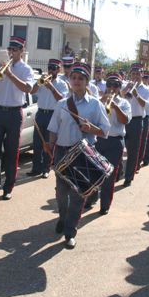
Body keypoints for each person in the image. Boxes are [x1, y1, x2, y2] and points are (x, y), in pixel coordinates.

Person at [47, 63, 111, 249]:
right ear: (70, 80)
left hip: (84, 154)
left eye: (80, 79)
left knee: (78, 195)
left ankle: (70, 231)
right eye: (73, 78)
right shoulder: (61, 104)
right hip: (62, 151)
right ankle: (62, 216)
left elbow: (105, 131)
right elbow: (53, 129)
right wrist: (50, 145)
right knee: (61, 192)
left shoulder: (95, 104)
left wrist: (92, 128)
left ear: (86, 82)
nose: (76, 81)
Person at [0, 36, 35, 200]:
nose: (11, 52)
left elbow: (27, 88)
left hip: (14, 112)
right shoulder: (1, 65)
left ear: (21, 51)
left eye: (15, 50)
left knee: (12, 152)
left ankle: (8, 188)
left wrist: (10, 74)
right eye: (10, 49)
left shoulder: (26, 69)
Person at [85, 72, 131, 214]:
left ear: (119, 87)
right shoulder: (98, 101)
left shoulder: (125, 103)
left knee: (109, 175)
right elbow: (90, 117)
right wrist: (102, 100)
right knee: (94, 172)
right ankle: (91, 198)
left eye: (116, 85)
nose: (112, 87)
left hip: (115, 142)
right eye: (109, 84)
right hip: (99, 140)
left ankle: (105, 205)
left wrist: (116, 107)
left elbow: (125, 121)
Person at [28, 58, 69, 178]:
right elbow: (32, 92)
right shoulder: (42, 81)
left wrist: (51, 87)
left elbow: (62, 99)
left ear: (58, 69)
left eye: (54, 68)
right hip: (40, 113)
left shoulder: (62, 84)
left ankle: (46, 168)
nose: (51, 70)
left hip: (53, 114)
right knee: (37, 143)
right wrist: (38, 83)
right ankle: (36, 168)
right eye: (49, 67)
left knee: (49, 143)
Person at [122, 63, 149, 187]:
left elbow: (146, 105)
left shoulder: (146, 89)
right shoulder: (125, 85)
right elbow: (118, 97)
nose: (135, 76)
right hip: (123, 120)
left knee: (132, 151)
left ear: (142, 75)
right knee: (119, 148)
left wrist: (135, 93)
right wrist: (126, 90)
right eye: (133, 74)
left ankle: (128, 177)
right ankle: (119, 173)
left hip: (136, 121)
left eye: (138, 74)